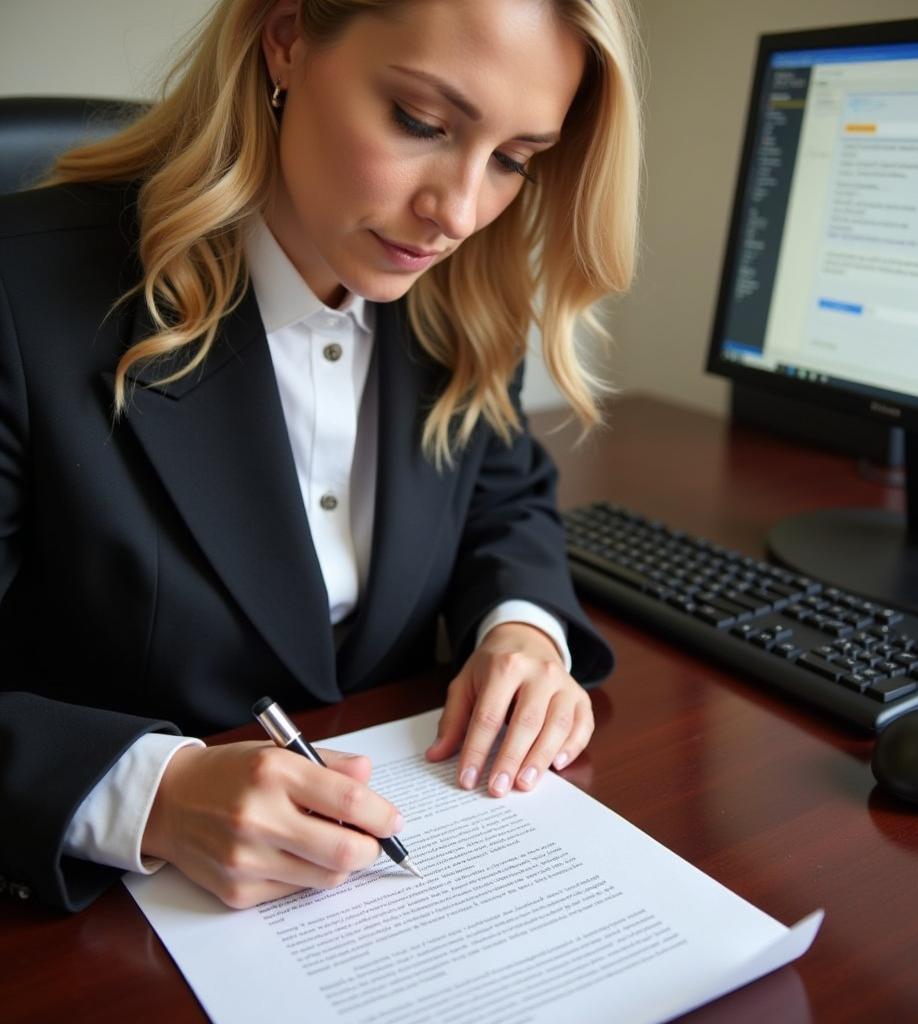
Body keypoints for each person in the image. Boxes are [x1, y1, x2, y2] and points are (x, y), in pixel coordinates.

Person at [0, 0, 641, 912]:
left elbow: (507, 497)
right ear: (288, 36)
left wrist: (522, 630)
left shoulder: (455, 296)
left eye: (512, 160)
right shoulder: (18, 298)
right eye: (421, 123)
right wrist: (153, 795)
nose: (457, 212)